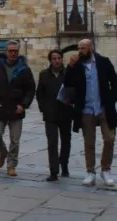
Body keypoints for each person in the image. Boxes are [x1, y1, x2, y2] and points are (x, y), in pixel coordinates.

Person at [64, 39, 117, 187]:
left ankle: (105, 170)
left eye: (83, 48)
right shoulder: (76, 65)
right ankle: (90, 172)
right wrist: (69, 67)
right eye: (79, 48)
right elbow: (67, 83)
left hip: (103, 108)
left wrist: (112, 100)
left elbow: (115, 81)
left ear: (91, 49)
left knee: (109, 139)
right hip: (86, 110)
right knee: (89, 143)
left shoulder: (103, 62)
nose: (80, 51)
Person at [0, 40, 36, 177]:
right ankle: (2, 152)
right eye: (11, 50)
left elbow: (30, 89)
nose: (13, 53)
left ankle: (11, 165)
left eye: (16, 51)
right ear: (6, 51)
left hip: (16, 109)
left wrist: (23, 105)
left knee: (15, 140)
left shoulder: (24, 69)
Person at [36, 49, 72, 181]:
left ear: (62, 59)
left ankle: (64, 164)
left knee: (66, 141)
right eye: (54, 58)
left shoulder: (68, 74)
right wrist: (43, 108)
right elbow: (39, 93)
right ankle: (53, 170)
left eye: (58, 58)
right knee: (52, 142)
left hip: (66, 113)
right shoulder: (44, 75)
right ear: (50, 60)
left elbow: (75, 91)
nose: (56, 61)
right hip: (50, 114)